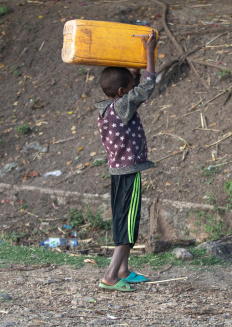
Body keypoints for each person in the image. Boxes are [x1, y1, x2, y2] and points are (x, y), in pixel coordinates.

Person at [95, 29, 158, 292]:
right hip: (128, 173)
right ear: (122, 91)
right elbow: (148, 86)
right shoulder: (123, 106)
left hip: (117, 172)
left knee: (124, 218)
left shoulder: (108, 108)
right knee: (128, 224)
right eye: (129, 87)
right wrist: (149, 53)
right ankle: (111, 275)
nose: (133, 89)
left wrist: (134, 67)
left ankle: (123, 270)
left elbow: (134, 87)